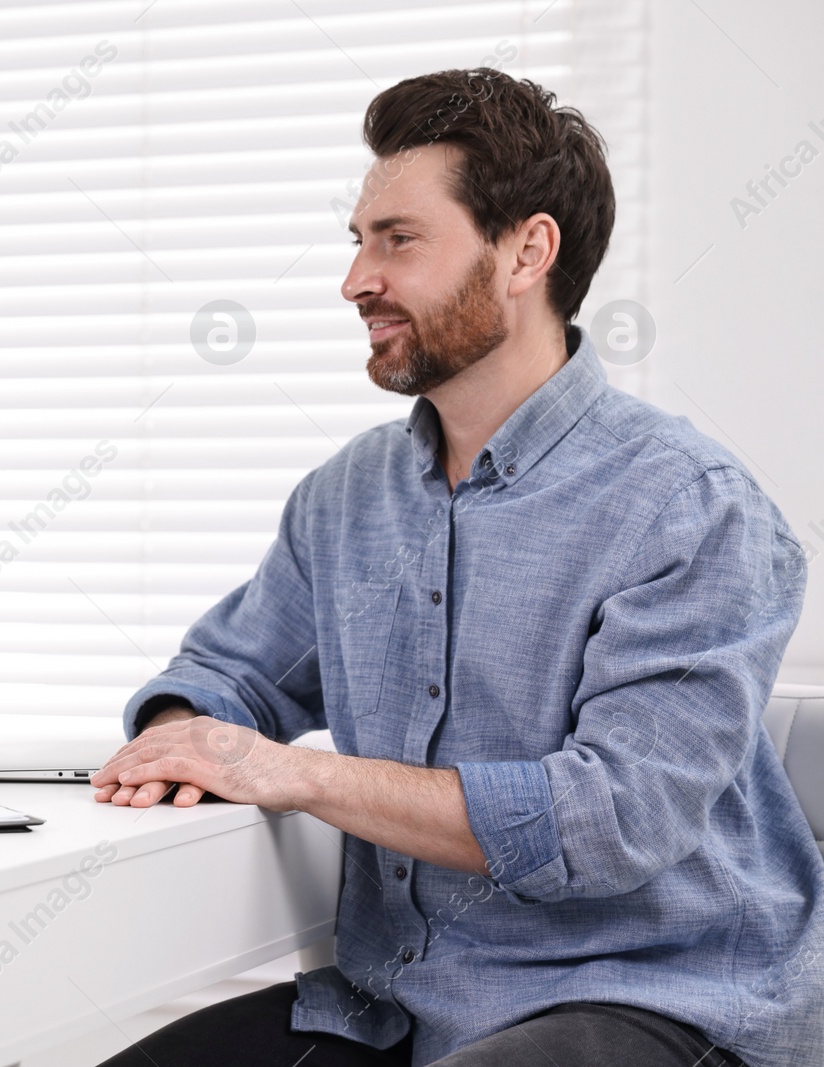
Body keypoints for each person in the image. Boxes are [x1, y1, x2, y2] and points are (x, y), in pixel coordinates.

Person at [91, 68, 821, 1067]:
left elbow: (612, 819)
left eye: (397, 239)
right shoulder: (345, 498)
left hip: (652, 995)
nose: (355, 279)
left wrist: (290, 769)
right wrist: (181, 736)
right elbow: (230, 674)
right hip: (398, 1002)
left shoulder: (687, 505)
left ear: (526, 251)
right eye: (358, 241)